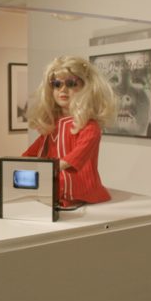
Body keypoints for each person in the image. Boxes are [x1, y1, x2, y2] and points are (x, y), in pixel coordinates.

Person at [22, 56, 116, 207]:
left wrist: (48, 168)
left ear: (86, 87)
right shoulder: (53, 126)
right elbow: (32, 153)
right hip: (53, 189)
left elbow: (76, 156)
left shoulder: (89, 127)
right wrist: (17, 166)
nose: (62, 90)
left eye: (71, 84)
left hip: (80, 190)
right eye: (57, 84)